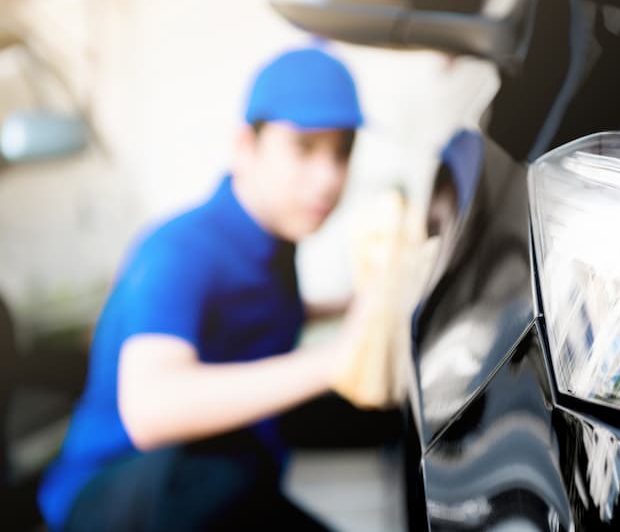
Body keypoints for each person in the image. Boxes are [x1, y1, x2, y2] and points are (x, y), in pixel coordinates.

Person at [37, 47, 380, 531]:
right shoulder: (181, 249)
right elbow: (151, 408)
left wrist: (348, 306)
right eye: (304, 147)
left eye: (342, 151)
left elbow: (257, 314)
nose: (329, 178)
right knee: (227, 466)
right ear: (245, 145)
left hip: (226, 490)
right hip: (120, 496)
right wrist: (340, 360)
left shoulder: (275, 245)